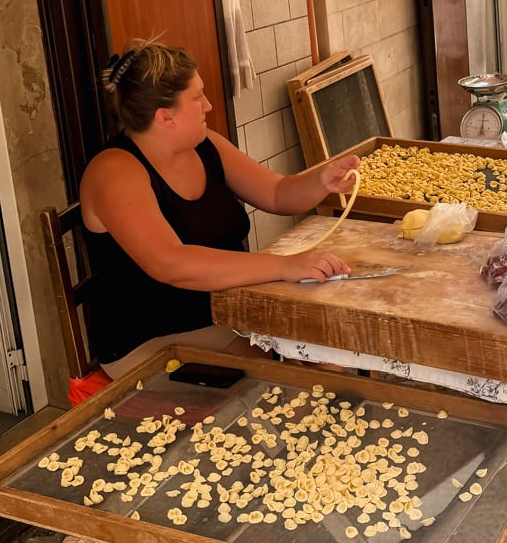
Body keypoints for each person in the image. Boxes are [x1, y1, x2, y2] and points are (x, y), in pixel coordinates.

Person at [79, 39, 358, 378]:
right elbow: (172, 264)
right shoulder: (115, 172)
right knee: (287, 383)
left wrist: (321, 181)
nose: (208, 106)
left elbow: (276, 192)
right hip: (151, 337)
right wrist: (283, 266)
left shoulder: (205, 145)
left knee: (330, 356)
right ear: (165, 116)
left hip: (223, 311)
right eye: (197, 97)